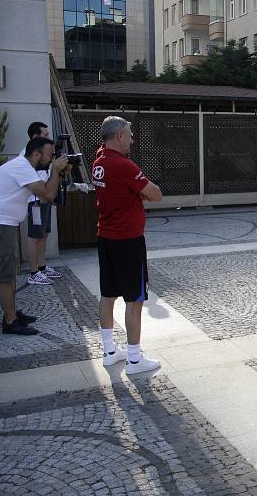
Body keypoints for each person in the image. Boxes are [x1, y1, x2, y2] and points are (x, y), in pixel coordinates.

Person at [92, 116, 163, 374]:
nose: (132, 139)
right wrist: (141, 191)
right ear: (120, 135)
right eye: (130, 134)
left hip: (106, 237)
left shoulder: (98, 163)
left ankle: (110, 350)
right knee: (135, 299)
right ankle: (134, 359)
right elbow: (155, 193)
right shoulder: (124, 165)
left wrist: (137, 191)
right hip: (128, 240)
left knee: (108, 294)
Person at [0, 136, 68, 335]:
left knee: (10, 272)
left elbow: (53, 196)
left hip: (5, 224)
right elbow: (47, 193)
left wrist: (59, 174)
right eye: (50, 156)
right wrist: (56, 170)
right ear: (36, 154)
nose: (51, 159)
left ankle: (12, 312)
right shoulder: (21, 167)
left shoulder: (26, 168)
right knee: (5, 276)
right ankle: (10, 321)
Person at [23, 122, 63, 285]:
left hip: (45, 199)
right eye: (45, 135)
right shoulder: (28, 156)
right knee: (35, 236)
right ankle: (33, 272)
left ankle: (42, 267)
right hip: (35, 202)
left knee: (44, 235)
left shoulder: (45, 155)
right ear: (35, 137)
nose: (48, 138)